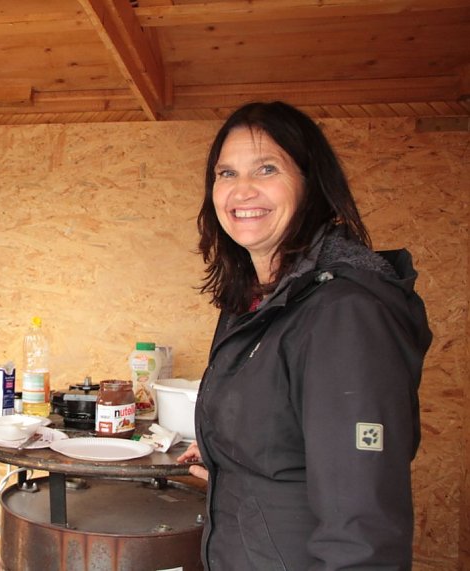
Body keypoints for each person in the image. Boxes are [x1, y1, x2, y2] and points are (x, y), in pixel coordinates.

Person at [178, 101, 431, 569]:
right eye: (227, 173)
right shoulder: (253, 302)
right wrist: (224, 453)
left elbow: (362, 531)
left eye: (267, 169)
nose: (242, 189)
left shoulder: (345, 314)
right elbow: (284, 436)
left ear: (310, 184)